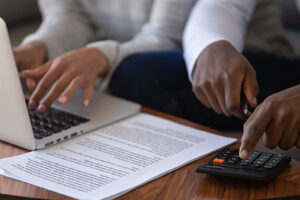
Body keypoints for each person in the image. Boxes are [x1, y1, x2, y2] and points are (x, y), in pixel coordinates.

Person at [108, 0, 300, 159]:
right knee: (137, 74)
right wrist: (210, 44)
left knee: (135, 74)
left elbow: (163, 35)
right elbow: (226, 5)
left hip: (281, 66)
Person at [14, 0, 195, 112]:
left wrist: (101, 56)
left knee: (129, 74)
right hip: (117, 56)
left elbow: (166, 37)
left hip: (178, 60)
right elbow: (70, 16)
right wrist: (39, 46)